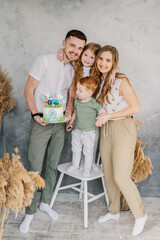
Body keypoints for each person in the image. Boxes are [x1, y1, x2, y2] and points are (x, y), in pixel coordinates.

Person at [19, 30, 87, 233]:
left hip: (59, 123)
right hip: (41, 121)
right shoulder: (45, 60)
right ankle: (29, 213)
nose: (75, 50)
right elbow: (28, 89)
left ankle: (45, 203)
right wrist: (34, 115)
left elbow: (71, 95)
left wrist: (69, 113)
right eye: (72, 45)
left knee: (52, 165)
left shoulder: (74, 70)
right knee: (34, 167)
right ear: (64, 43)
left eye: (80, 47)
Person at [94, 45, 147, 236]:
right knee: (108, 174)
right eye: (101, 59)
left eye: (108, 60)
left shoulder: (120, 80)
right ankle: (113, 212)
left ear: (114, 62)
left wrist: (110, 116)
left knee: (121, 176)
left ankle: (140, 216)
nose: (103, 63)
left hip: (123, 127)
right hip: (106, 129)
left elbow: (136, 107)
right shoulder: (100, 81)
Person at [66, 76, 107, 176]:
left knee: (88, 151)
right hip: (77, 131)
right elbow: (75, 113)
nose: (77, 93)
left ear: (89, 93)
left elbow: (103, 112)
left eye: (80, 90)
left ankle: (87, 169)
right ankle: (75, 165)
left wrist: (99, 120)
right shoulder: (77, 101)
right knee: (76, 149)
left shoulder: (93, 103)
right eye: (77, 89)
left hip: (89, 133)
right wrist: (70, 123)